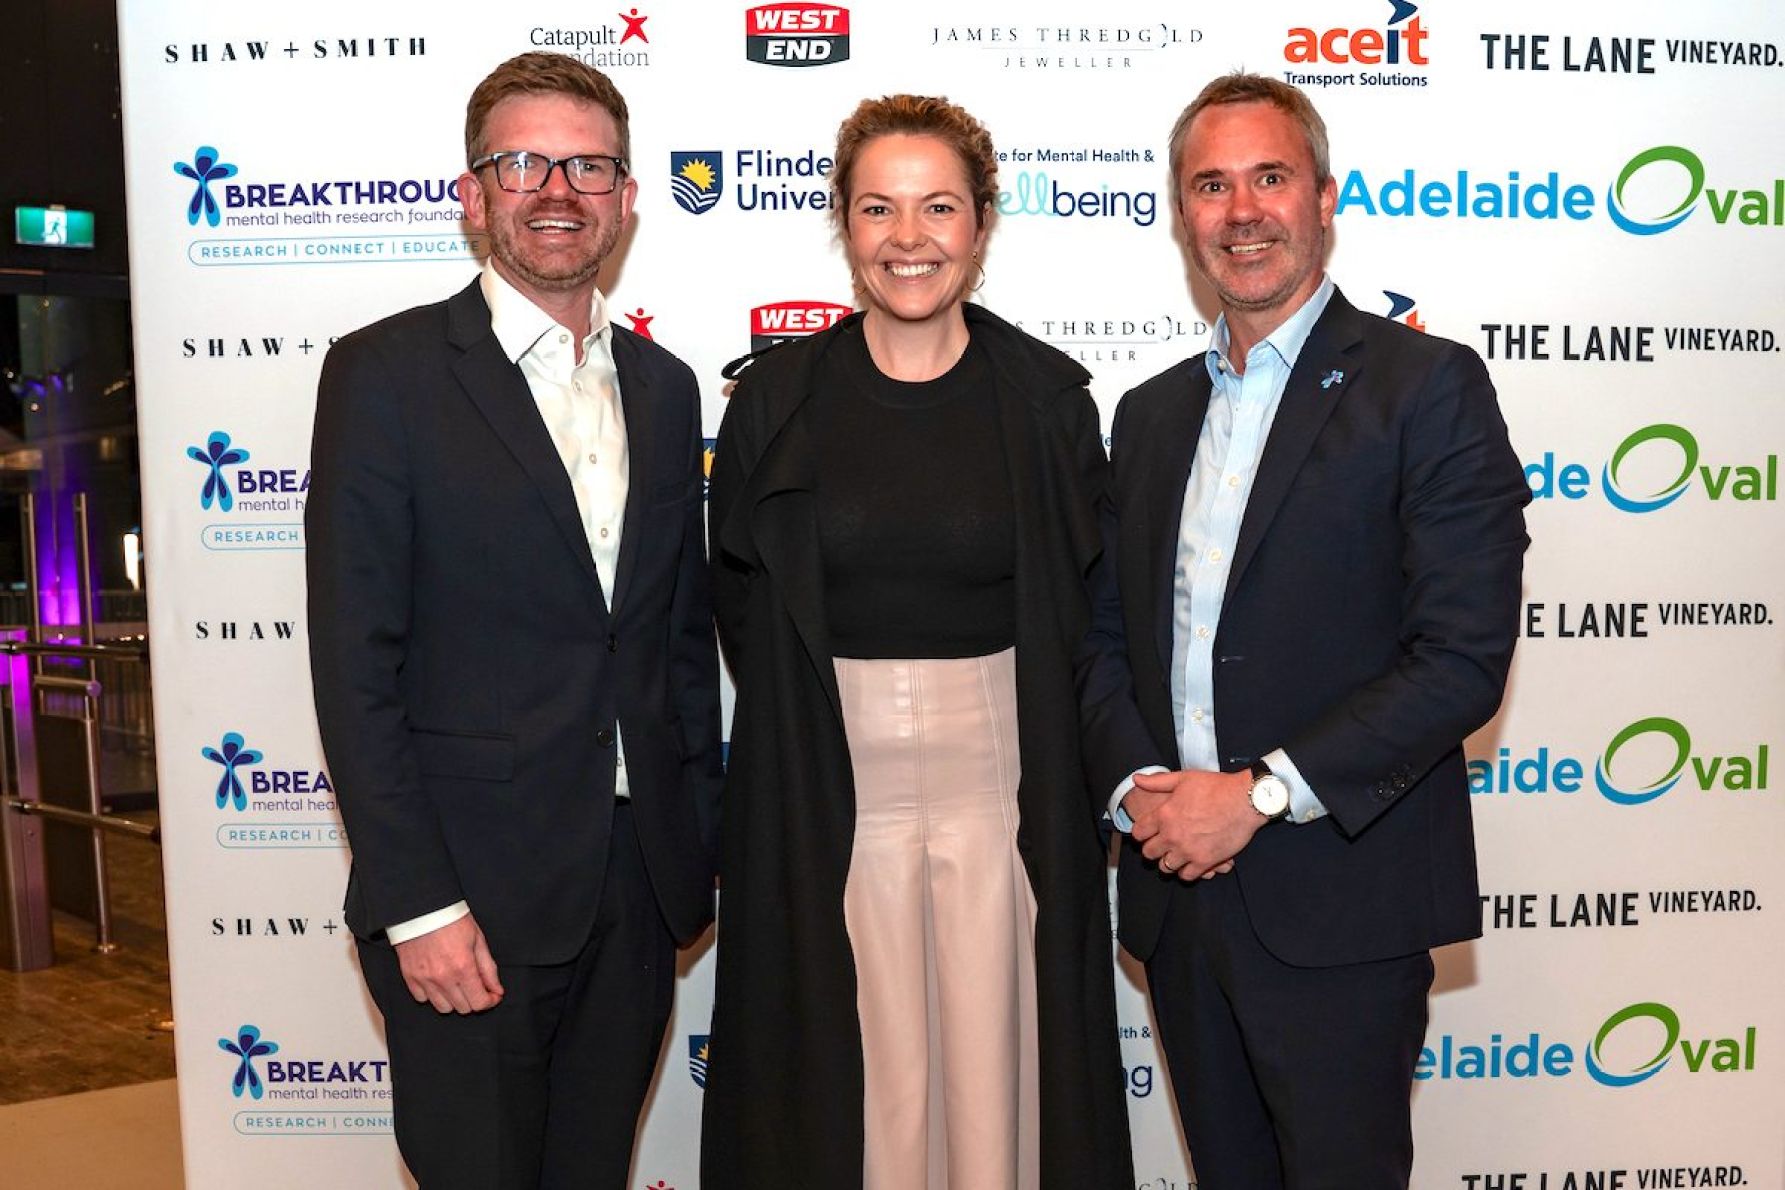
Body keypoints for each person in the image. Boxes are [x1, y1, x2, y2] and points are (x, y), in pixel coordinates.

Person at [1092, 73, 1530, 1189]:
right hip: (1180, 898)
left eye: (1270, 177)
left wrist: (1258, 793)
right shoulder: (1149, 415)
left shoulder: (1426, 387)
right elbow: (1102, 636)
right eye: (1210, 184)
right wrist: (1144, 782)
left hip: (1339, 901)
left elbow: (1461, 657)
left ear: (1325, 197)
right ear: (1182, 215)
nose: (1242, 210)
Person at [701, 95, 1135, 1189]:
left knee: (1004, 1080)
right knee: (856, 1091)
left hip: (1006, 784)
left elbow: (1087, 611)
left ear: (982, 223)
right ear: (842, 225)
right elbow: (743, 603)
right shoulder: (775, 402)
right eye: (879, 208)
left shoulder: (1048, 402)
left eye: (939, 206)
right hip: (821, 790)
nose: (909, 238)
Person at [305, 52, 722, 1190]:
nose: (557, 188)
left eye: (588, 165)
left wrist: (690, 845)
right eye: (523, 161)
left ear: (628, 199)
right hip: (465, 904)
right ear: (473, 191)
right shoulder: (383, 375)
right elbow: (356, 667)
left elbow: (676, 642)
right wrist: (419, 904)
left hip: (633, 895)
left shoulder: (666, 384)